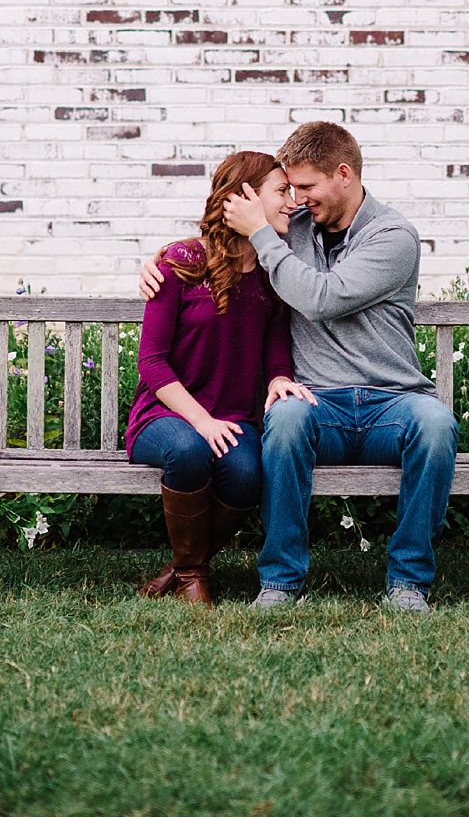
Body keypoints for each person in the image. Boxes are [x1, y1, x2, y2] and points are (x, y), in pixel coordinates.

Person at [141, 121, 457, 613]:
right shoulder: (293, 227)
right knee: (284, 420)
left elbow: (321, 298)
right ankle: (281, 582)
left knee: (436, 423)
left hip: (393, 403)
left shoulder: (393, 236)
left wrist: (263, 235)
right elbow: (227, 244)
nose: (297, 199)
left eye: (306, 187)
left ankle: (408, 582)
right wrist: (164, 258)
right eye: (290, 188)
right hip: (317, 402)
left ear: (344, 175)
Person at [127, 151, 300, 606]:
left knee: (246, 471)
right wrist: (202, 421)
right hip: (165, 414)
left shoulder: (272, 272)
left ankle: (180, 569)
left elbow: (276, 351)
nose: (292, 202)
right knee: (187, 450)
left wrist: (280, 378)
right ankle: (192, 579)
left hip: (233, 419)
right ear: (245, 196)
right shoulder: (183, 261)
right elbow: (153, 362)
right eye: (282, 191)